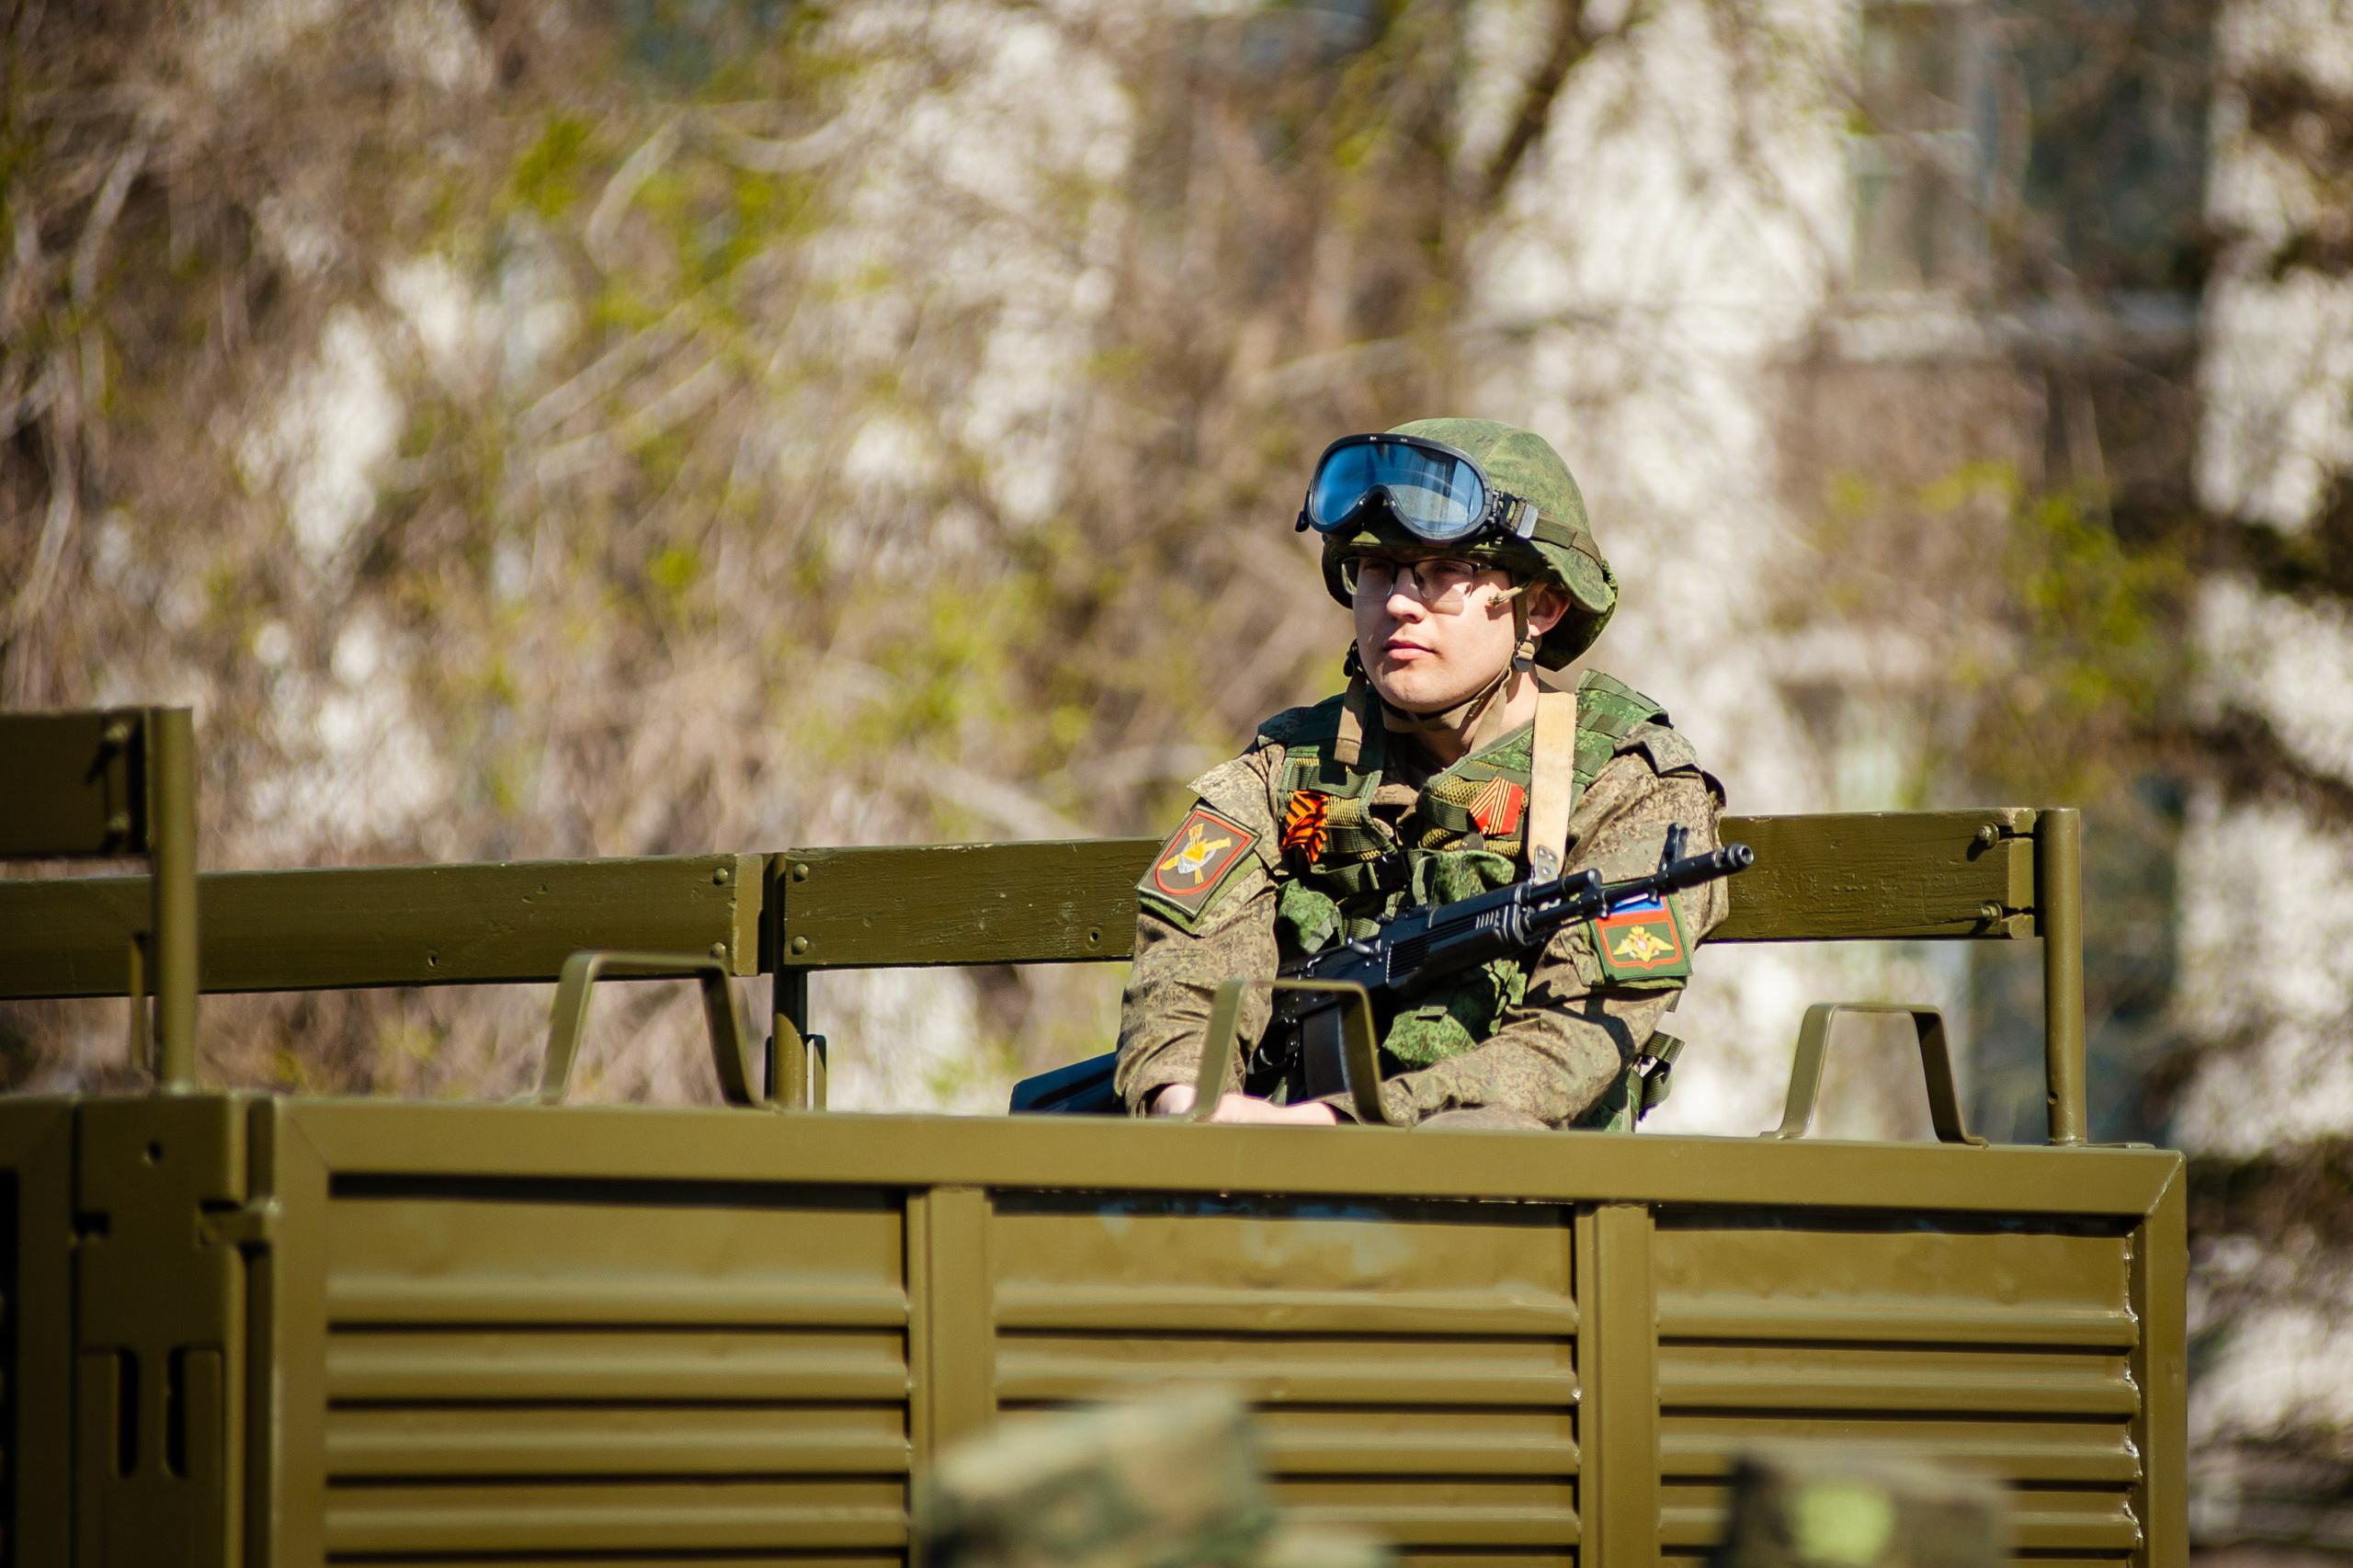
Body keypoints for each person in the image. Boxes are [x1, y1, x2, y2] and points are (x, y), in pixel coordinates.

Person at [1114, 418, 1726, 1130]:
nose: (1399, 602)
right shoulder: (1289, 770)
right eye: (1377, 571)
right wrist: (1186, 1101)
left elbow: (1571, 1043)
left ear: (1544, 607)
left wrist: (1345, 1126)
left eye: (1444, 574)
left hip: (1515, 1199)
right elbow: (1187, 968)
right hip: (1273, 1186)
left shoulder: (1628, 782)